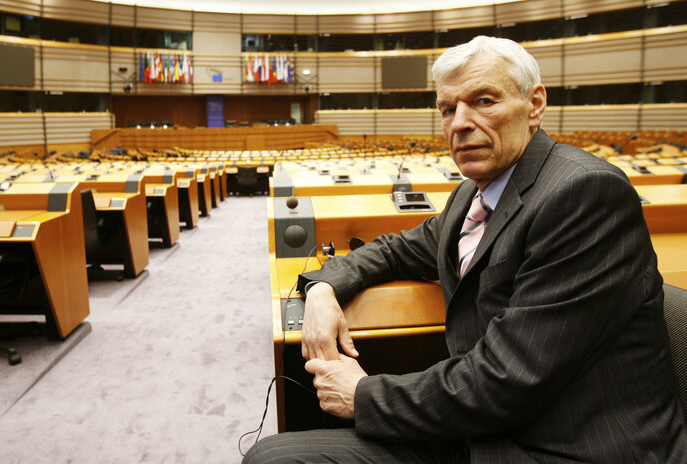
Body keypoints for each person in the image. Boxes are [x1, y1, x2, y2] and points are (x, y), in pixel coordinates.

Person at [243, 36, 687, 463]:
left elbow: (509, 379)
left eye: (484, 101)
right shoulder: (472, 196)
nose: (459, 123)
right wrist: (323, 287)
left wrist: (362, 395)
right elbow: (398, 249)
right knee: (276, 454)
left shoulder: (583, 195)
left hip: (562, 445)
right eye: (447, 108)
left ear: (534, 105)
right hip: (485, 427)